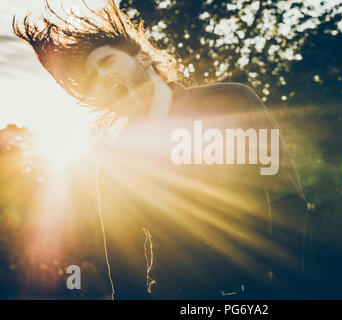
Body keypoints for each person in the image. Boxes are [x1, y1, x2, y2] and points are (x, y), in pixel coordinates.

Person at [13, 0, 307, 299]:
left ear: (141, 57)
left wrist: (281, 290)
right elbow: (124, 267)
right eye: (95, 82)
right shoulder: (114, 163)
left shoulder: (233, 101)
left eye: (108, 63)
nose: (106, 79)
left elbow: (287, 199)